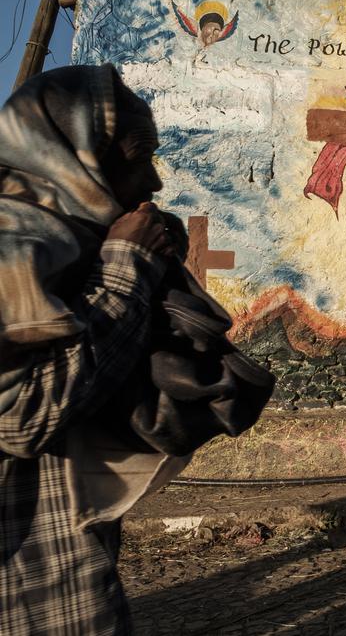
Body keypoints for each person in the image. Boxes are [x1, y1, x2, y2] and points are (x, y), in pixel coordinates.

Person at [0, 66, 181, 634]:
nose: (153, 182)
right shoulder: (11, 248)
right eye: (137, 157)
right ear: (72, 152)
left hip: (64, 537)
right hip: (24, 563)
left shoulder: (73, 242)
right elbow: (20, 417)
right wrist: (126, 271)